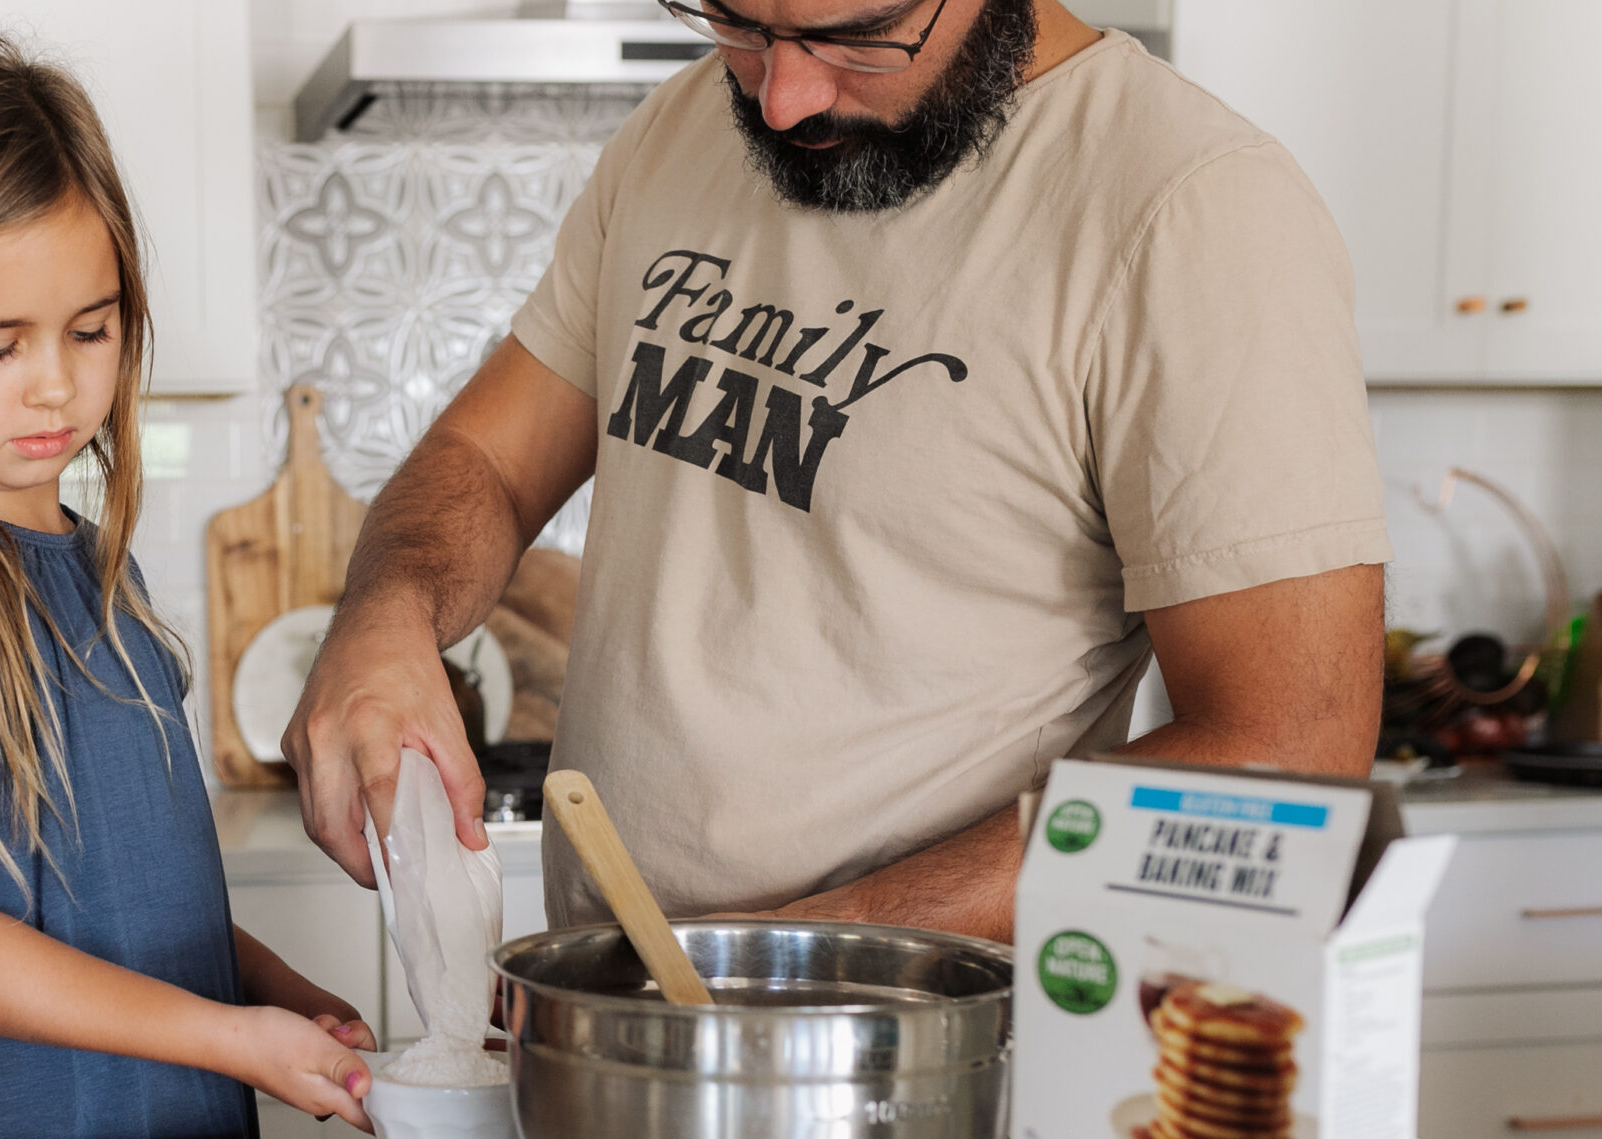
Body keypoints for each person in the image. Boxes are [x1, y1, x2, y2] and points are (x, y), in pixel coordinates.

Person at [286, 0, 1389, 942]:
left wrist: (795, 955)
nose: (781, 99)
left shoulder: (1188, 206)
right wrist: (383, 617)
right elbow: (487, 456)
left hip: (926, 1064)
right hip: (625, 1022)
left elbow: (1286, 754)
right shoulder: (679, 131)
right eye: (734, 21)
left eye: (858, 37)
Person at [0, 43, 376, 1139]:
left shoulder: (103, 575)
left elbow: (117, 903)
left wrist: (268, 993)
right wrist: (228, 1040)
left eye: (90, 331)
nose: (55, 382)